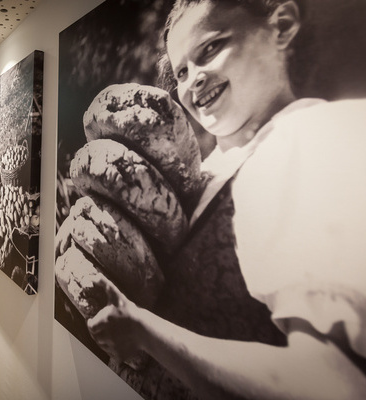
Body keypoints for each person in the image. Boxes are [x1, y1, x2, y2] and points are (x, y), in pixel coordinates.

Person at [83, 0, 366, 398]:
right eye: (181, 72)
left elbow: (331, 384)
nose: (193, 81)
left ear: (282, 26)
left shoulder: (310, 139)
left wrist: (143, 331)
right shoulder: (206, 173)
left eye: (211, 48)